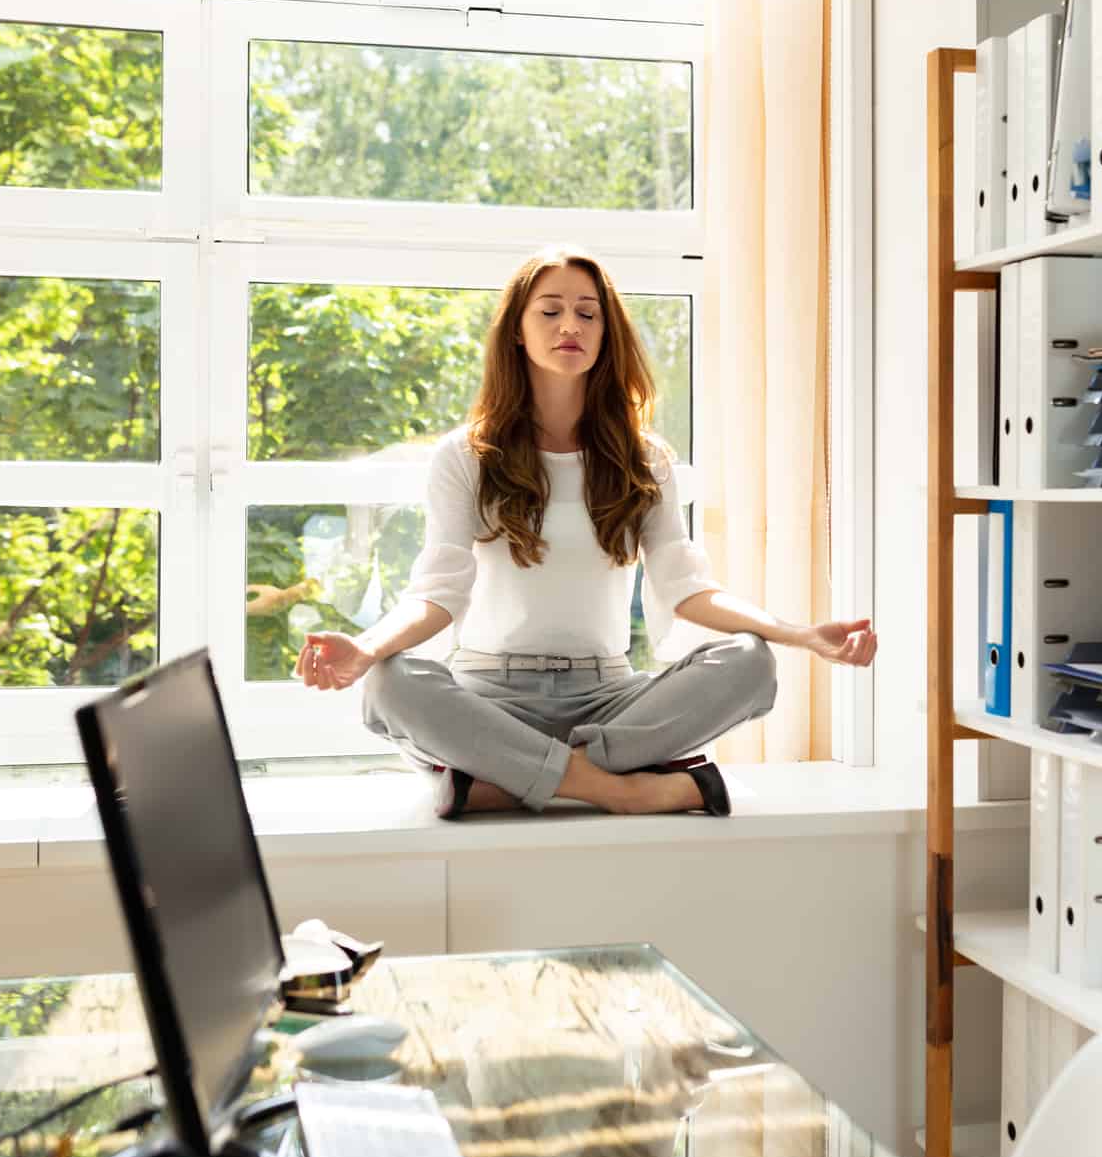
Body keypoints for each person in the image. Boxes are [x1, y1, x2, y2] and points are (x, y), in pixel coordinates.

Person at [296, 246, 877, 818]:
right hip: (490, 695)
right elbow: (438, 593)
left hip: (608, 700)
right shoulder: (466, 455)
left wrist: (800, 635)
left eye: (588, 312)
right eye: (550, 311)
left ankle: (503, 783)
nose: (569, 324)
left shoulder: (644, 459)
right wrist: (366, 650)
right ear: (518, 331)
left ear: (606, 332)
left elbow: (688, 589)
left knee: (750, 662)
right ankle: (620, 789)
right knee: (391, 683)